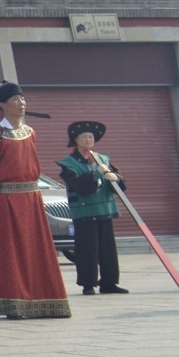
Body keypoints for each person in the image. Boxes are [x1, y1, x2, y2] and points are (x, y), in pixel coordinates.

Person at [0, 81, 71, 319]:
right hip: (8, 201)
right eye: (15, 100)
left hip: (32, 198)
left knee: (39, 249)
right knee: (13, 253)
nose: (21, 104)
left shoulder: (30, 133)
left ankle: (47, 300)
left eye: (22, 99)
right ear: (2, 105)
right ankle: (16, 304)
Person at [59, 121, 128, 296]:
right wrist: (98, 174)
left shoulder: (102, 158)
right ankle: (88, 284)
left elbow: (119, 181)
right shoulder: (69, 163)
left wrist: (115, 177)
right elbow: (79, 185)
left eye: (91, 136)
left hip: (105, 210)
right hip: (84, 213)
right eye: (84, 136)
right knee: (87, 249)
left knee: (108, 249)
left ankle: (109, 283)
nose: (89, 139)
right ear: (76, 140)